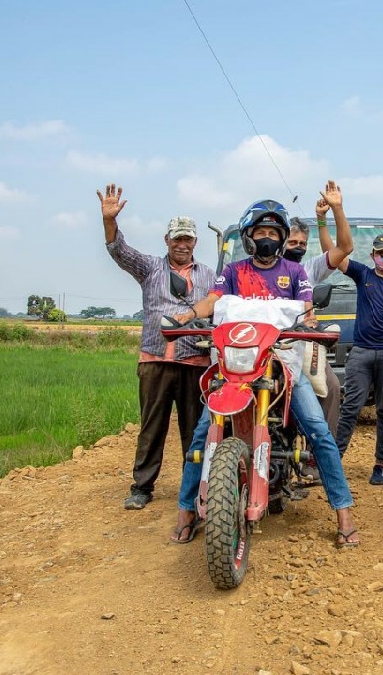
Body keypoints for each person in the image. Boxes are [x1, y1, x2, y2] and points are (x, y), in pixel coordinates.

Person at [171, 199, 360, 548]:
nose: (268, 238)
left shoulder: (296, 273)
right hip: (235, 366)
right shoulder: (233, 272)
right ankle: (185, 508)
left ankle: (343, 510)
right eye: (261, 232)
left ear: (282, 237)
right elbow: (212, 300)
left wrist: (310, 320)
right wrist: (188, 315)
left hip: (282, 363)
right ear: (249, 237)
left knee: (319, 431)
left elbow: (306, 308)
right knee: (201, 433)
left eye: (274, 233)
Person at [97, 183, 216, 511]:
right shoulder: (150, 267)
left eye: (187, 239)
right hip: (155, 359)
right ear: (167, 240)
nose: (182, 244)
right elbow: (120, 251)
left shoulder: (209, 275)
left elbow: (222, 306)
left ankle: (195, 487)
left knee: (195, 429)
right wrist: (109, 220)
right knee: (152, 426)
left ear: (195, 242)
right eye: (177, 239)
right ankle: (142, 486)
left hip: (195, 361)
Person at [332, 231, 383, 485]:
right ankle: (334, 461)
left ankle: (380, 464)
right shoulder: (363, 275)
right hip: (361, 352)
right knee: (351, 406)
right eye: (380, 253)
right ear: (373, 255)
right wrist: (324, 221)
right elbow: (335, 256)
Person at [282, 181, 356, 434]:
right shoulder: (260, 270)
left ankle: (322, 451)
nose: (298, 248)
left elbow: (344, 248)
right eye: (292, 242)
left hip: (302, 344)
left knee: (332, 387)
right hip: (268, 345)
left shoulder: (309, 269)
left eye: (302, 244)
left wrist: (335, 210)